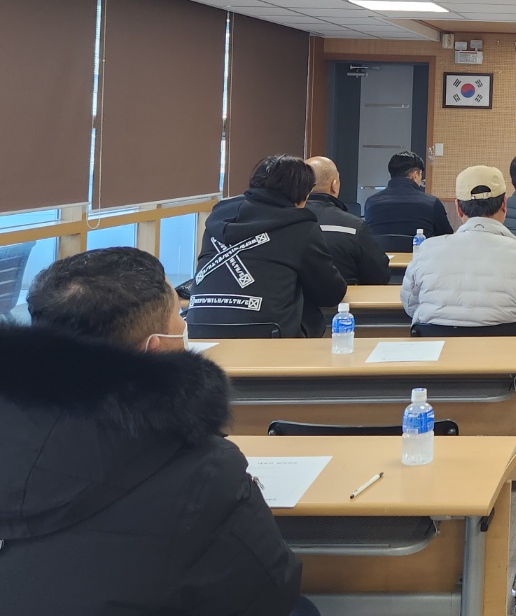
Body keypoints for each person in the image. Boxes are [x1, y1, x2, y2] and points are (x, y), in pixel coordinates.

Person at [3, 247, 306, 616]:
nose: (184, 325)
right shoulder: (205, 471)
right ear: (155, 349)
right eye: (178, 316)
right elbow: (272, 591)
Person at [401, 165, 516, 394]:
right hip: (513, 363)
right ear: (504, 205)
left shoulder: (426, 251)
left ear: (458, 208)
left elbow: (411, 307)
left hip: (439, 362)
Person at [188, 154, 346, 338]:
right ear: (303, 195)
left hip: (198, 330)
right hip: (265, 335)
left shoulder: (217, 219)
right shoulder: (301, 227)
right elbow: (331, 293)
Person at [304, 155, 390, 285]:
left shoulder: (284, 223)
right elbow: (379, 275)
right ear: (334, 185)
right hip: (344, 296)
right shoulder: (354, 226)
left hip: (291, 297)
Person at [363, 150, 452, 251]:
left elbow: (368, 237)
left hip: (381, 260)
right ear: (415, 175)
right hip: (419, 260)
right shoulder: (431, 203)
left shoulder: (371, 203)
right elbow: (447, 238)